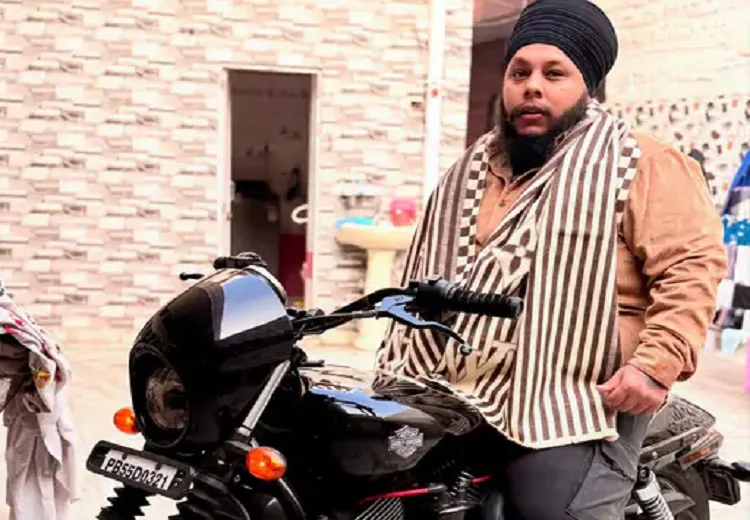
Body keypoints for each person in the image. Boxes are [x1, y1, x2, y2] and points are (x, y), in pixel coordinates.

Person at [376, 0, 728, 518]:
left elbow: (691, 269)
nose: (532, 86)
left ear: (588, 86)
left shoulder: (642, 163)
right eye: (519, 72)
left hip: (582, 389)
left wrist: (655, 367)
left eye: (554, 73)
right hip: (464, 378)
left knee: (547, 508)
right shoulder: (475, 168)